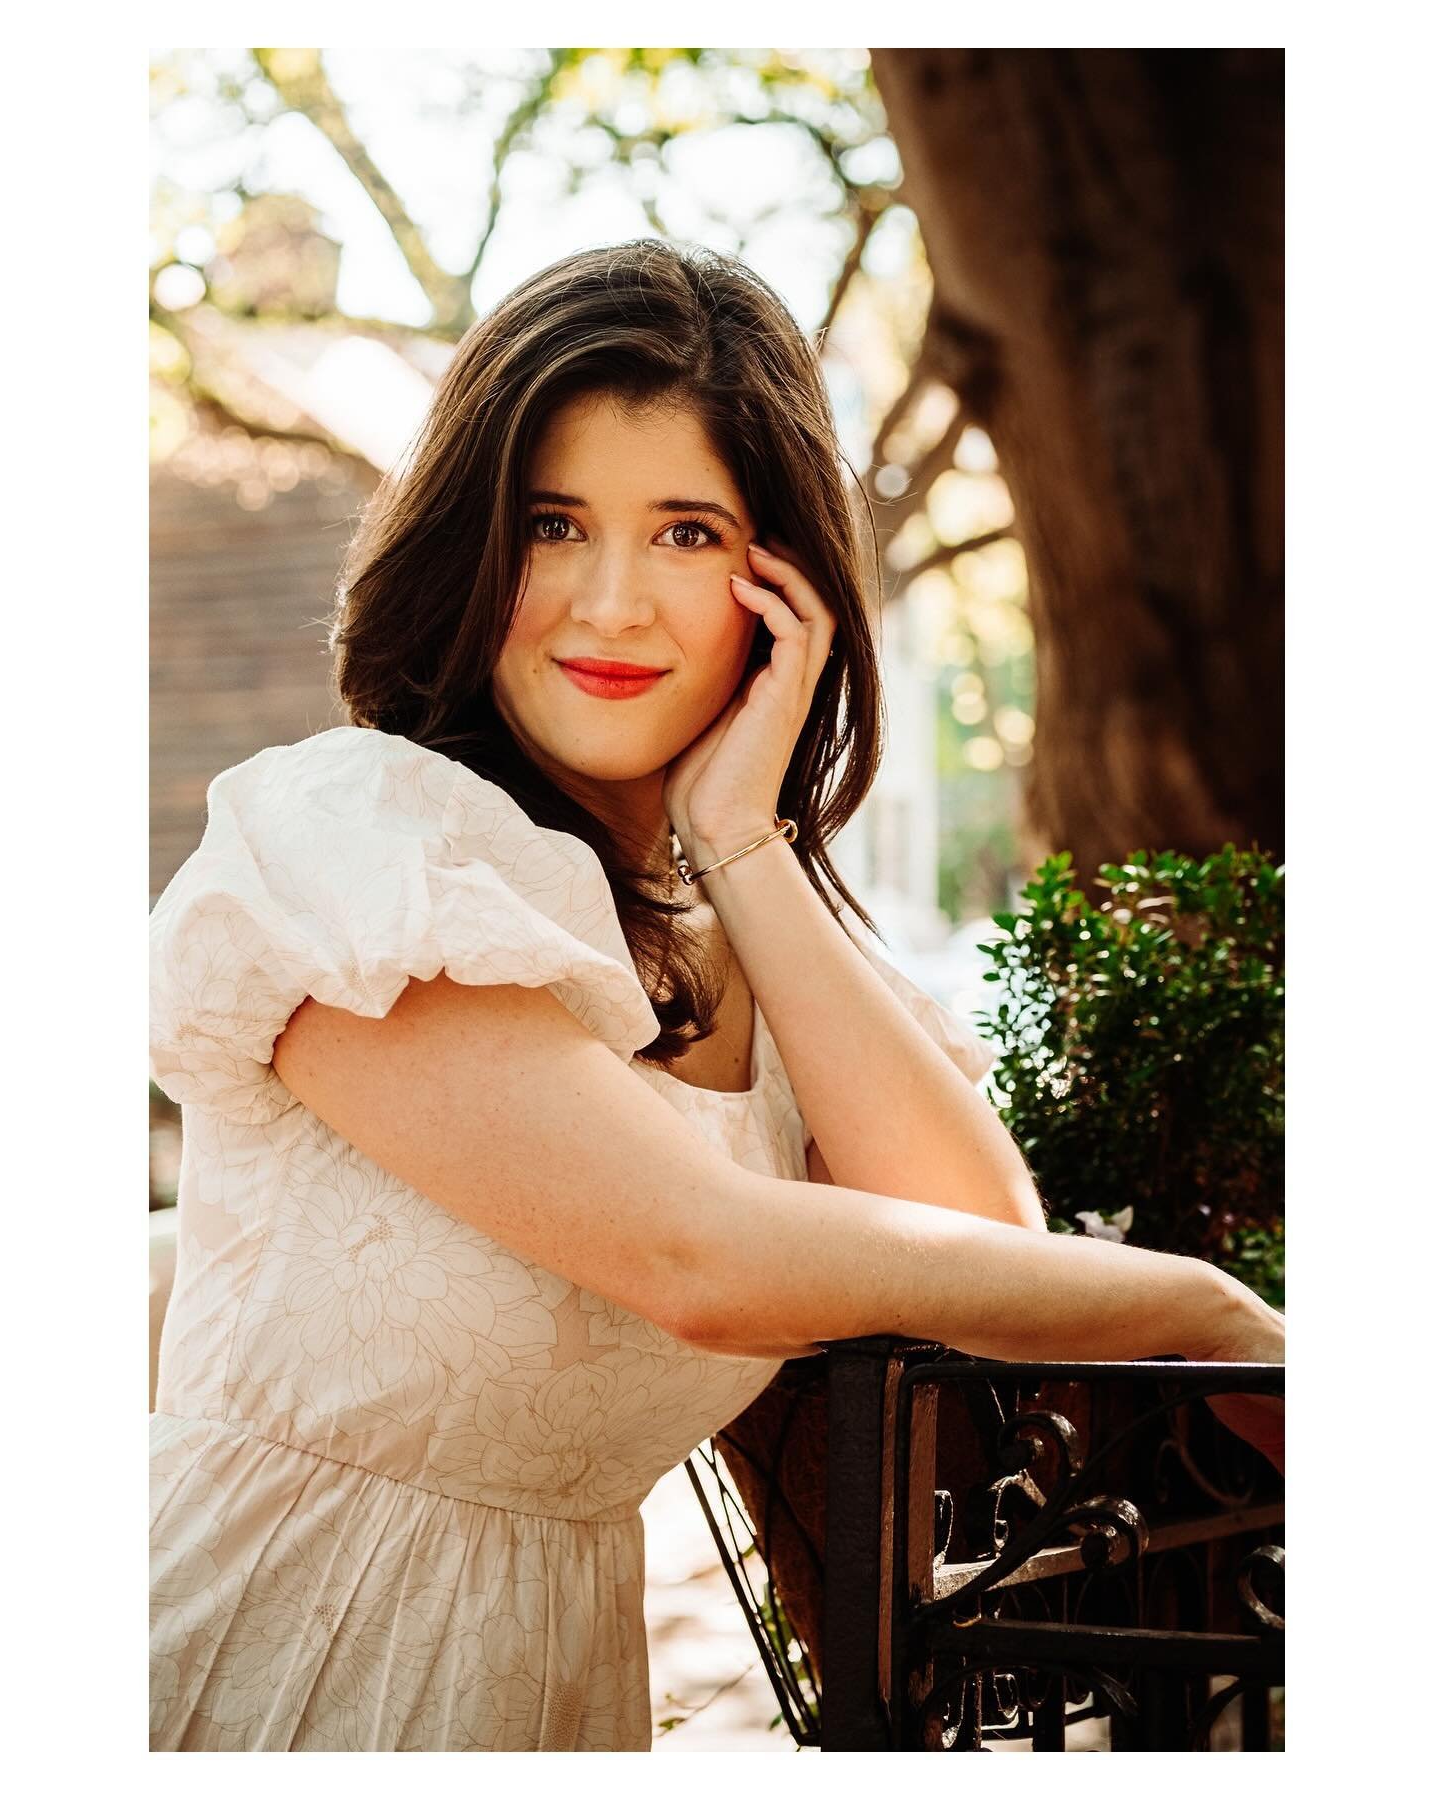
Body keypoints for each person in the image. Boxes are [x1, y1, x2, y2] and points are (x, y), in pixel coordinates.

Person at [149, 238, 1284, 1752]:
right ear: (473, 547)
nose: (611, 604)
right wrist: (1209, 1315)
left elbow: (976, 1247)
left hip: (551, 1688)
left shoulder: (747, 924)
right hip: (256, 1669)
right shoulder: (365, 840)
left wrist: (743, 839)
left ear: (782, 581)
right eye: (554, 524)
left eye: (687, 533)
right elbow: (707, 1256)